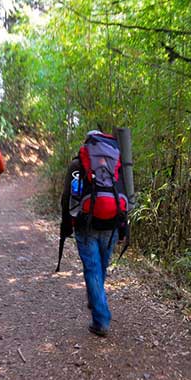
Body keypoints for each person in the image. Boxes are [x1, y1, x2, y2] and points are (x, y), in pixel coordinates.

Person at [60, 130, 129, 337]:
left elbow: (67, 197)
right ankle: (95, 297)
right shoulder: (118, 164)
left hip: (86, 224)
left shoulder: (77, 165)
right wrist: (124, 227)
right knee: (100, 266)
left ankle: (101, 320)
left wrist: (67, 224)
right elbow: (126, 196)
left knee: (92, 269)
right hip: (112, 224)